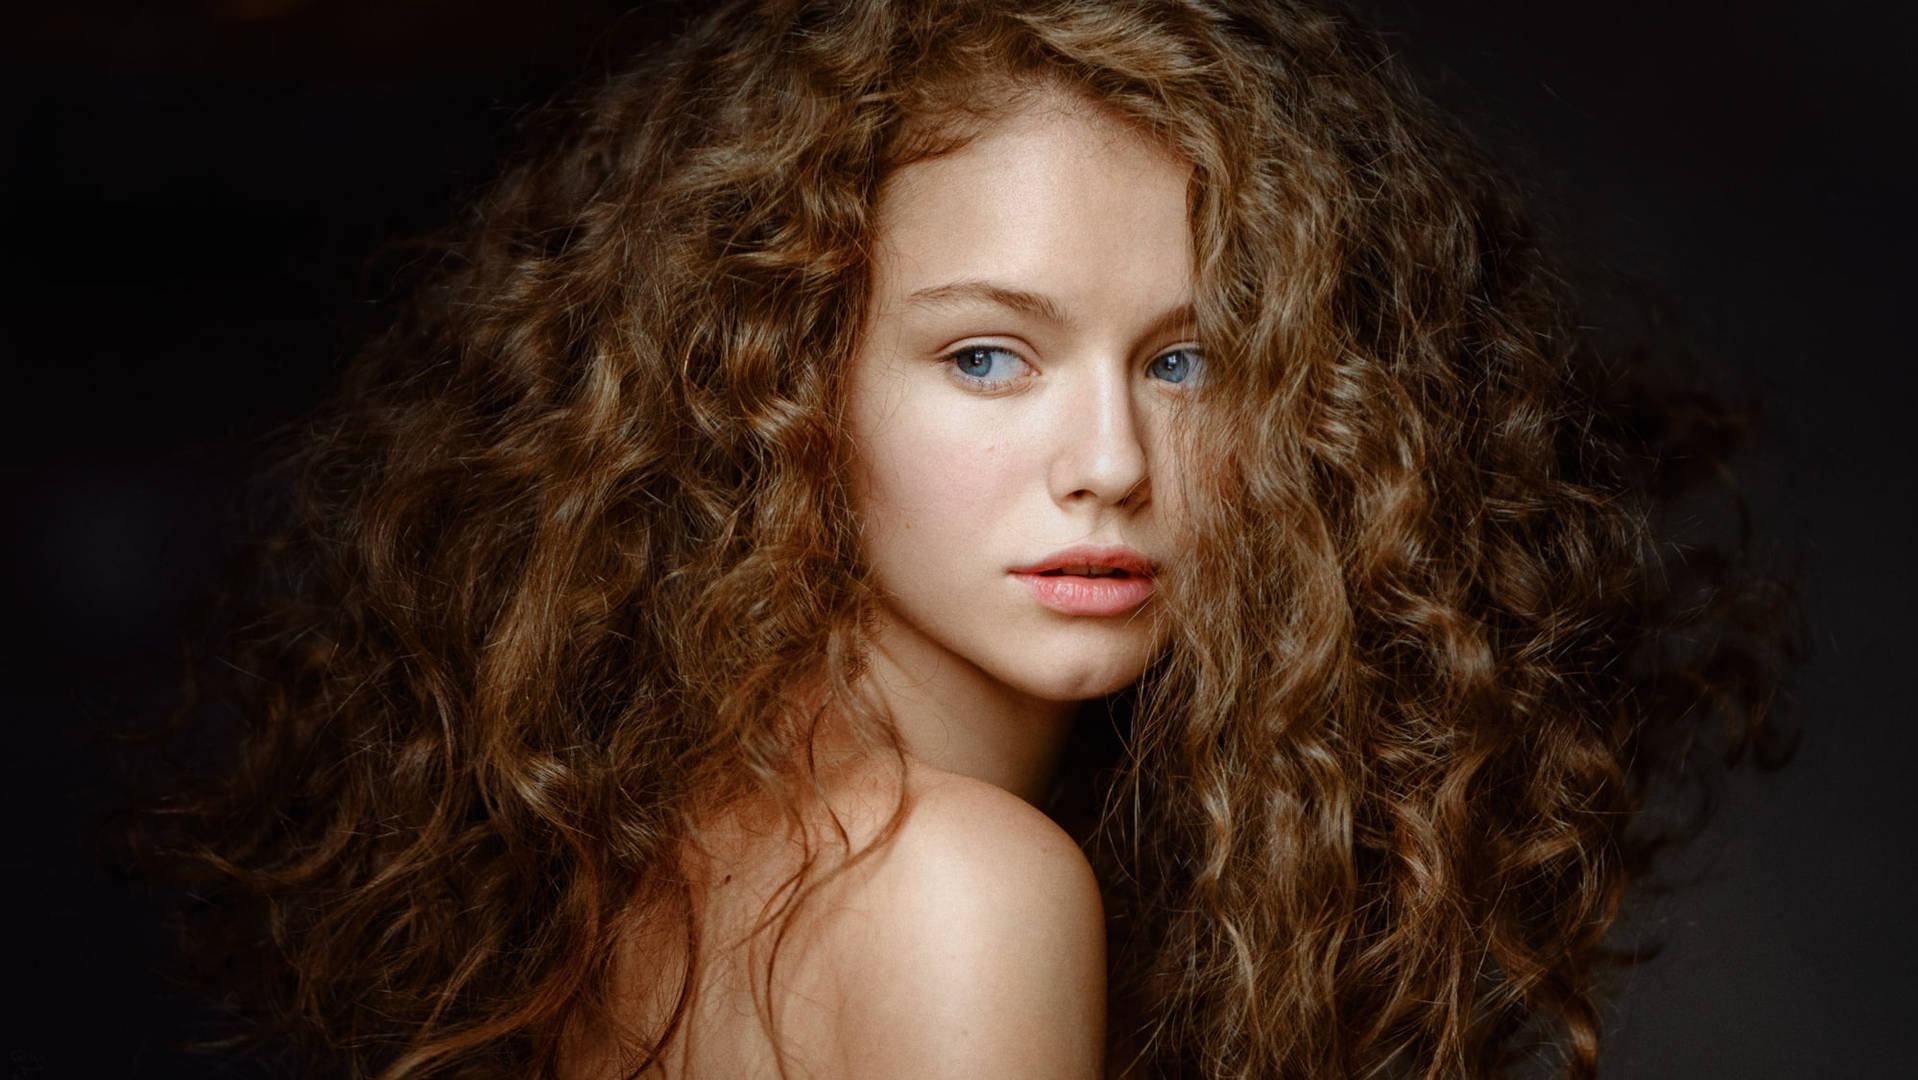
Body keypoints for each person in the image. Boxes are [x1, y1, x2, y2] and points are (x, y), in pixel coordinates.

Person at [142, 1, 1790, 1077]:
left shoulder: (681, 846)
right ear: (782, 388)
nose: (1109, 462)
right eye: (986, 356)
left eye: (1187, 359)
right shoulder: (965, 887)